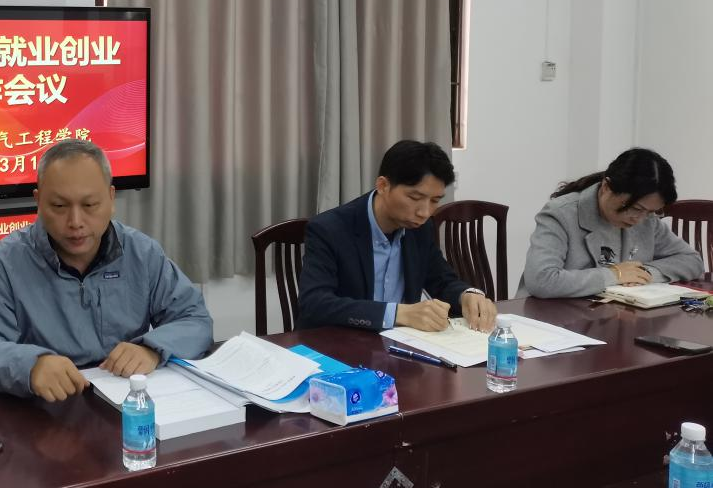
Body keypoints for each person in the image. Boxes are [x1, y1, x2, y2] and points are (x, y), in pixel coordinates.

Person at [0, 139, 213, 401]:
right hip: (44, 408)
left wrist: (152, 349)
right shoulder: (1, 265)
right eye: (59, 206)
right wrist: (31, 366)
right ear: (38, 201)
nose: (75, 222)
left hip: (125, 404)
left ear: (111, 198)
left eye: (89, 205)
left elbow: (195, 319)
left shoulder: (141, 253)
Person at [298, 140, 497, 333]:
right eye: (415, 197)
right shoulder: (330, 229)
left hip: (398, 343)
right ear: (383, 185)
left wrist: (467, 295)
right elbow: (315, 303)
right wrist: (398, 314)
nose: (425, 212)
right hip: (337, 343)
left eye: (435, 200)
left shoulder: (420, 228)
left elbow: (441, 279)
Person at [521, 147, 703, 298]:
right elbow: (541, 280)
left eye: (650, 212)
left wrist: (644, 273)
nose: (639, 219)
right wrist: (615, 275)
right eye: (636, 208)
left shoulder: (647, 219)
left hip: (611, 316)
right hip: (551, 317)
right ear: (606, 187)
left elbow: (692, 261)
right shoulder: (560, 213)